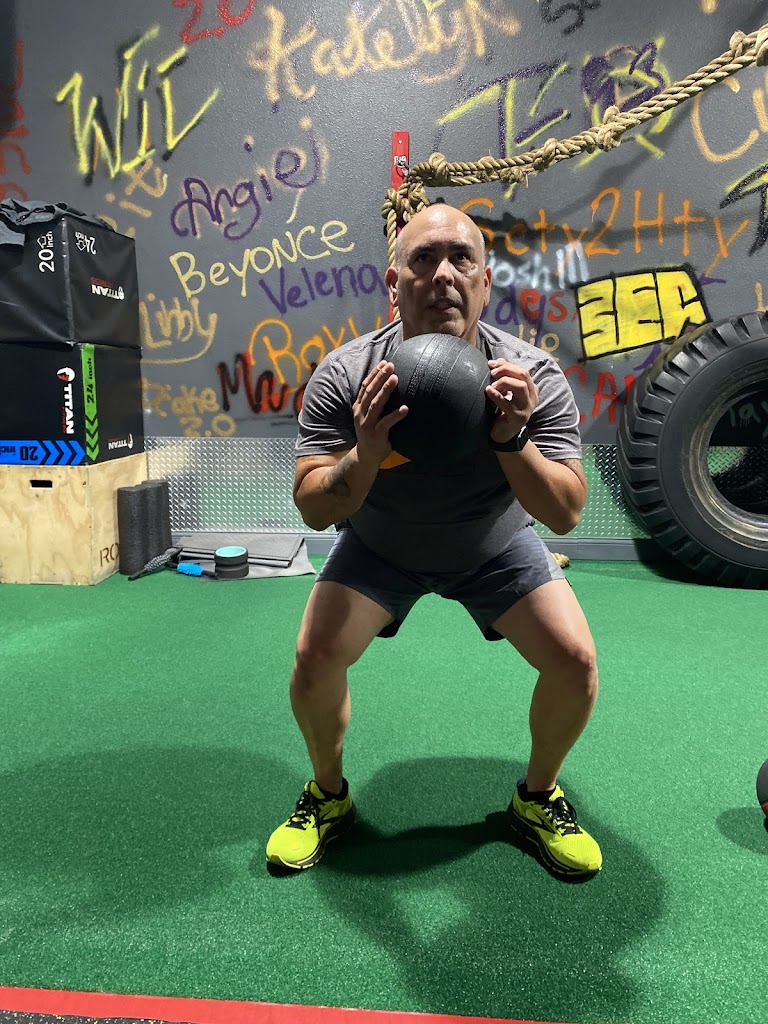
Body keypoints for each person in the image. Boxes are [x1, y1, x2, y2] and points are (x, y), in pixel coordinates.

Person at [265, 202, 601, 878]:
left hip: (493, 545)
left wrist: (513, 438)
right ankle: (328, 796)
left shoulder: (529, 376)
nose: (443, 274)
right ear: (395, 284)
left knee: (574, 662)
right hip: (381, 544)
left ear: (484, 281)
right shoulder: (349, 374)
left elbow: (565, 514)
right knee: (313, 658)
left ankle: (537, 798)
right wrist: (365, 453)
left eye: (460, 259)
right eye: (423, 259)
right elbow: (312, 509)